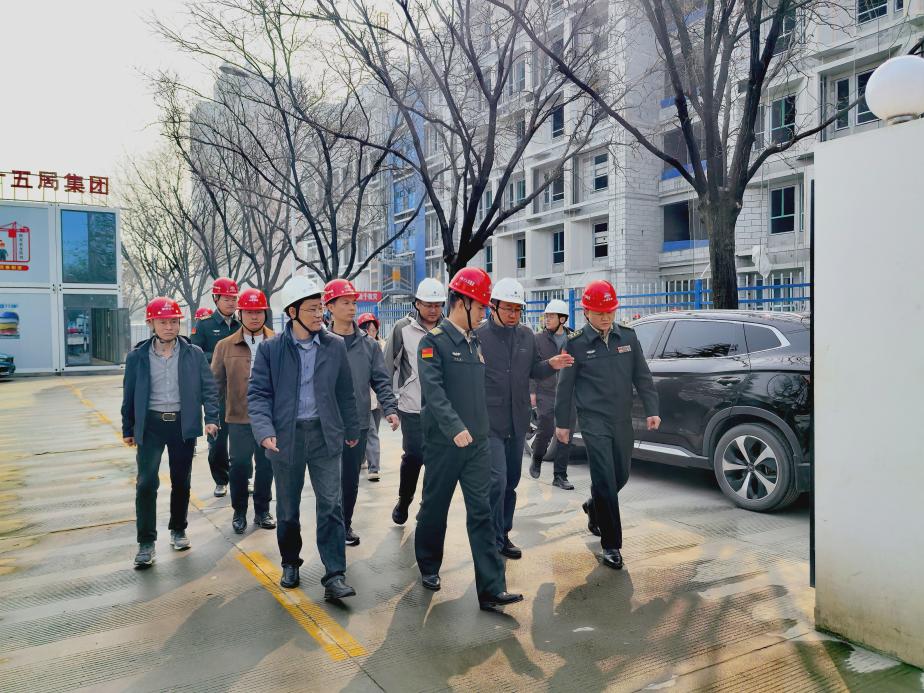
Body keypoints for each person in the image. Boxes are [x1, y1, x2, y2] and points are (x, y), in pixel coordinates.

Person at [415, 267, 523, 611]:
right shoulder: (433, 343)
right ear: (461, 302)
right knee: (435, 507)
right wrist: (454, 427)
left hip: (477, 444)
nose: (483, 314)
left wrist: (480, 430)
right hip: (445, 444)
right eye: (479, 307)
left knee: (482, 512)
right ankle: (428, 565)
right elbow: (434, 393)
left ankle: (491, 589)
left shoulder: (474, 342)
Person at [247, 275, 360, 600]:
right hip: (286, 438)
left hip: (325, 436)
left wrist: (352, 429)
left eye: (320, 308)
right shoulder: (271, 350)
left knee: (331, 505)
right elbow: (258, 395)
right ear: (292, 312)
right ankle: (290, 563)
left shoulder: (334, 346)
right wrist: (265, 431)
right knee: (288, 508)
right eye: (312, 309)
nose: (319, 314)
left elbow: (345, 392)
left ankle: (335, 574)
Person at [554, 279, 661, 570]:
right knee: (603, 477)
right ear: (586, 312)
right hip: (593, 420)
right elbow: (565, 387)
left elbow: (642, 376)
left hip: (621, 419)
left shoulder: (628, 337)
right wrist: (562, 424)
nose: (605, 317)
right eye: (600, 312)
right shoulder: (575, 343)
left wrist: (652, 409)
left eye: (610, 311)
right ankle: (611, 545)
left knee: (620, 476)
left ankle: (594, 505)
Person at [476, 278, 573, 560]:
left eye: (517, 309)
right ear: (493, 306)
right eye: (508, 308)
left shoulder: (526, 336)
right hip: (490, 422)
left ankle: (503, 533)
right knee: (496, 480)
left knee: (511, 481)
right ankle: (492, 537)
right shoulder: (478, 337)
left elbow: (533, 370)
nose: (513, 314)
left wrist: (550, 365)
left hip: (517, 421)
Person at [121, 297, 219, 568]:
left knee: (181, 481)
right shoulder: (137, 357)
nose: (169, 327)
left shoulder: (193, 354)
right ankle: (146, 543)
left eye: (174, 322)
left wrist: (211, 418)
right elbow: (129, 394)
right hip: (151, 426)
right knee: (146, 483)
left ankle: (178, 529)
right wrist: (128, 427)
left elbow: (209, 389)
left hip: (181, 425)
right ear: (151, 323)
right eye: (163, 322)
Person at [324, 279, 399, 547]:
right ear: (330, 306)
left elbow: (381, 380)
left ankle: (344, 524)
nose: (352, 307)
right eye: (345, 302)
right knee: (327, 479)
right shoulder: (319, 342)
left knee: (349, 480)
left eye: (354, 302)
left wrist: (390, 408)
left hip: (356, 422)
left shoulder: (368, 345)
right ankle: (330, 526)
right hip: (325, 423)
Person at [211, 288, 276, 535]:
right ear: (240, 314)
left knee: (266, 465)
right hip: (238, 417)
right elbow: (215, 384)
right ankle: (239, 512)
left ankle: (262, 511)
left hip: (270, 418)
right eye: (249, 312)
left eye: (259, 312)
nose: (254, 317)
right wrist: (212, 417)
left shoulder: (278, 341)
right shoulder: (225, 346)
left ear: (265, 313)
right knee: (238, 465)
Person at [384, 277, 447, 525]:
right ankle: (404, 500)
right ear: (417, 304)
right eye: (428, 304)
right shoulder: (402, 328)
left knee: (437, 462)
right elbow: (386, 367)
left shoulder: (449, 329)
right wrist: (389, 404)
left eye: (438, 305)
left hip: (442, 410)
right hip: (411, 408)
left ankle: (426, 507)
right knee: (414, 457)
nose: (433, 310)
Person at [191, 277, 241, 498]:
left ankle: (244, 477)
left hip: (241, 391)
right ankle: (221, 479)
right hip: (216, 392)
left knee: (243, 439)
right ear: (216, 299)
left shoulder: (242, 324)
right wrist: (222, 357)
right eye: (226, 298)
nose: (231, 302)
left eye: (234, 298)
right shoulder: (204, 325)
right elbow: (194, 355)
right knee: (218, 440)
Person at [530, 298, 576, 490]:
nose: (547, 319)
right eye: (546, 316)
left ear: (562, 319)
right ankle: (537, 457)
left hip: (568, 393)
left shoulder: (574, 338)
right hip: (546, 391)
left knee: (565, 434)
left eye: (551, 316)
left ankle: (560, 476)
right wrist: (532, 391)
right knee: (546, 429)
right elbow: (532, 366)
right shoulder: (538, 339)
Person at [358, 312, 385, 482]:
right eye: (368, 330)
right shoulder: (359, 348)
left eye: (374, 330)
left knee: (371, 431)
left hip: (377, 399)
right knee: (371, 433)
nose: (371, 333)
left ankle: (362, 459)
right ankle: (374, 467)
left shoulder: (380, 345)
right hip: (364, 399)